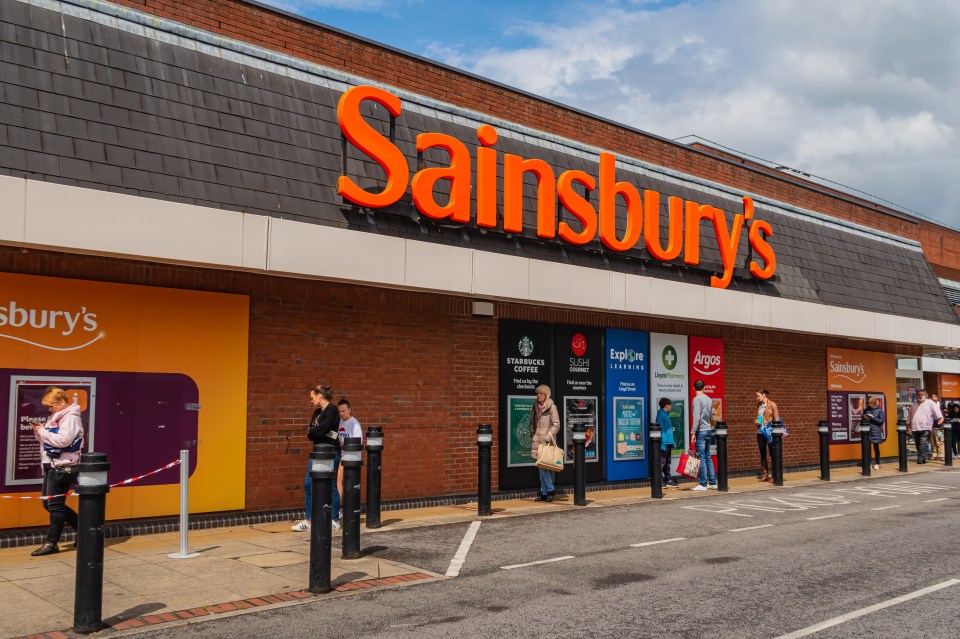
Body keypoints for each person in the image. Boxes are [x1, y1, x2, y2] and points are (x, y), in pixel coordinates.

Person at [30, 387, 84, 557]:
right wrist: (40, 432)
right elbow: (50, 440)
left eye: (51, 405)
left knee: (54, 505)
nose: (49, 409)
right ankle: (85, 531)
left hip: (62, 466)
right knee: (49, 503)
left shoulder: (70, 417)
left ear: (61, 403)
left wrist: (42, 431)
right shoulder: (59, 416)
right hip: (53, 465)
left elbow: (62, 440)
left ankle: (51, 543)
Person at [292, 385, 341, 532]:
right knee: (308, 484)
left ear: (320, 396)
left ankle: (335, 520)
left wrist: (317, 431)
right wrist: (316, 431)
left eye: (312, 397)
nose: (311, 400)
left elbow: (321, 430)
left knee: (331, 486)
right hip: (317, 452)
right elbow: (311, 433)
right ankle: (309, 520)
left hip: (330, 452)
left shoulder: (332, 410)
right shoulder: (317, 412)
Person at [530, 384, 561, 502]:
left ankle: (550, 489)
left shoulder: (552, 407)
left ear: (546, 394)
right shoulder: (535, 406)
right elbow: (532, 421)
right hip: (537, 440)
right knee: (540, 466)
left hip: (546, 441)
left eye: (541, 393)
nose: (538, 395)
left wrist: (548, 436)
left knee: (543, 467)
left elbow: (556, 424)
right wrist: (532, 433)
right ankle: (544, 492)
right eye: (537, 393)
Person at [336, 397, 363, 521]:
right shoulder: (340, 422)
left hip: (349, 457)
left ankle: (339, 510)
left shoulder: (354, 423)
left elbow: (359, 441)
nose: (341, 414)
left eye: (343, 411)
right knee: (340, 482)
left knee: (340, 481)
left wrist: (343, 441)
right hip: (341, 455)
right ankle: (342, 508)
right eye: (340, 411)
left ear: (349, 410)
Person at [690, 380, 716, 491]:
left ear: (693, 388)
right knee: (707, 456)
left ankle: (703, 484)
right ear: (704, 387)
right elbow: (710, 416)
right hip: (708, 429)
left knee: (702, 458)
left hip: (700, 431)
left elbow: (696, 418)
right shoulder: (709, 399)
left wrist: (693, 433)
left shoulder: (696, 399)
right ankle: (713, 483)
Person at [907, 389, 941, 465]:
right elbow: (909, 415)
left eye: (922, 394)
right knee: (918, 444)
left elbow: (937, 411)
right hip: (915, 428)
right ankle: (922, 457)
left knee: (923, 443)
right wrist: (908, 424)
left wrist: (940, 418)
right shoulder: (914, 405)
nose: (920, 396)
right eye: (919, 394)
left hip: (926, 427)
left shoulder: (930, 403)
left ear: (925, 395)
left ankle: (920, 458)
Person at [756, 389, 779, 482]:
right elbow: (759, 417)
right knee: (762, 454)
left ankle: (774, 475)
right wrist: (757, 421)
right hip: (760, 432)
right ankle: (765, 474)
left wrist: (769, 422)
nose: (757, 398)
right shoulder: (759, 405)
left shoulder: (772, 405)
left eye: (758, 396)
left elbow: (777, 419)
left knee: (772, 453)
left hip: (769, 432)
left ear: (764, 395)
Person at [657, 398, 678, 487]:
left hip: (669, 442)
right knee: (662, 462)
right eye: (670, 405)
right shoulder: (661, 415)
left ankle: (668, 478)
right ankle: (660, 480)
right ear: (666, 405)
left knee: (667, 462)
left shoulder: (666, 414)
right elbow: (661, 429)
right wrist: (663, 442)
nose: (671, 407)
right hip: (664, 443)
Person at [864, 397, 885, 470]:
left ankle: (877, 463)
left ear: (874, 403)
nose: (869, 405)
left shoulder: (880, 411)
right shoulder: (866, 410)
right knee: (867, 448)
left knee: (876, 447)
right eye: (868, 403)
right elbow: (863, 419)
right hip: (867, 431)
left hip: (876, 431)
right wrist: (864, 417)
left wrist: (872, 417)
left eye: (870, 403)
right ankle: (868, 463)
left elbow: (881, 421)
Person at [930, 393, 945, 460]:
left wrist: (942, 427)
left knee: (940, 442)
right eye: (932, 397)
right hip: (931, 427)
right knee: (932, 443)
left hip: (939, 427)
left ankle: (941, 455)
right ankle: (934, 455)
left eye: (935, 397)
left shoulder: (941, 405)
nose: (933, 398)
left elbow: (943, 417)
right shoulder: (930, 406)